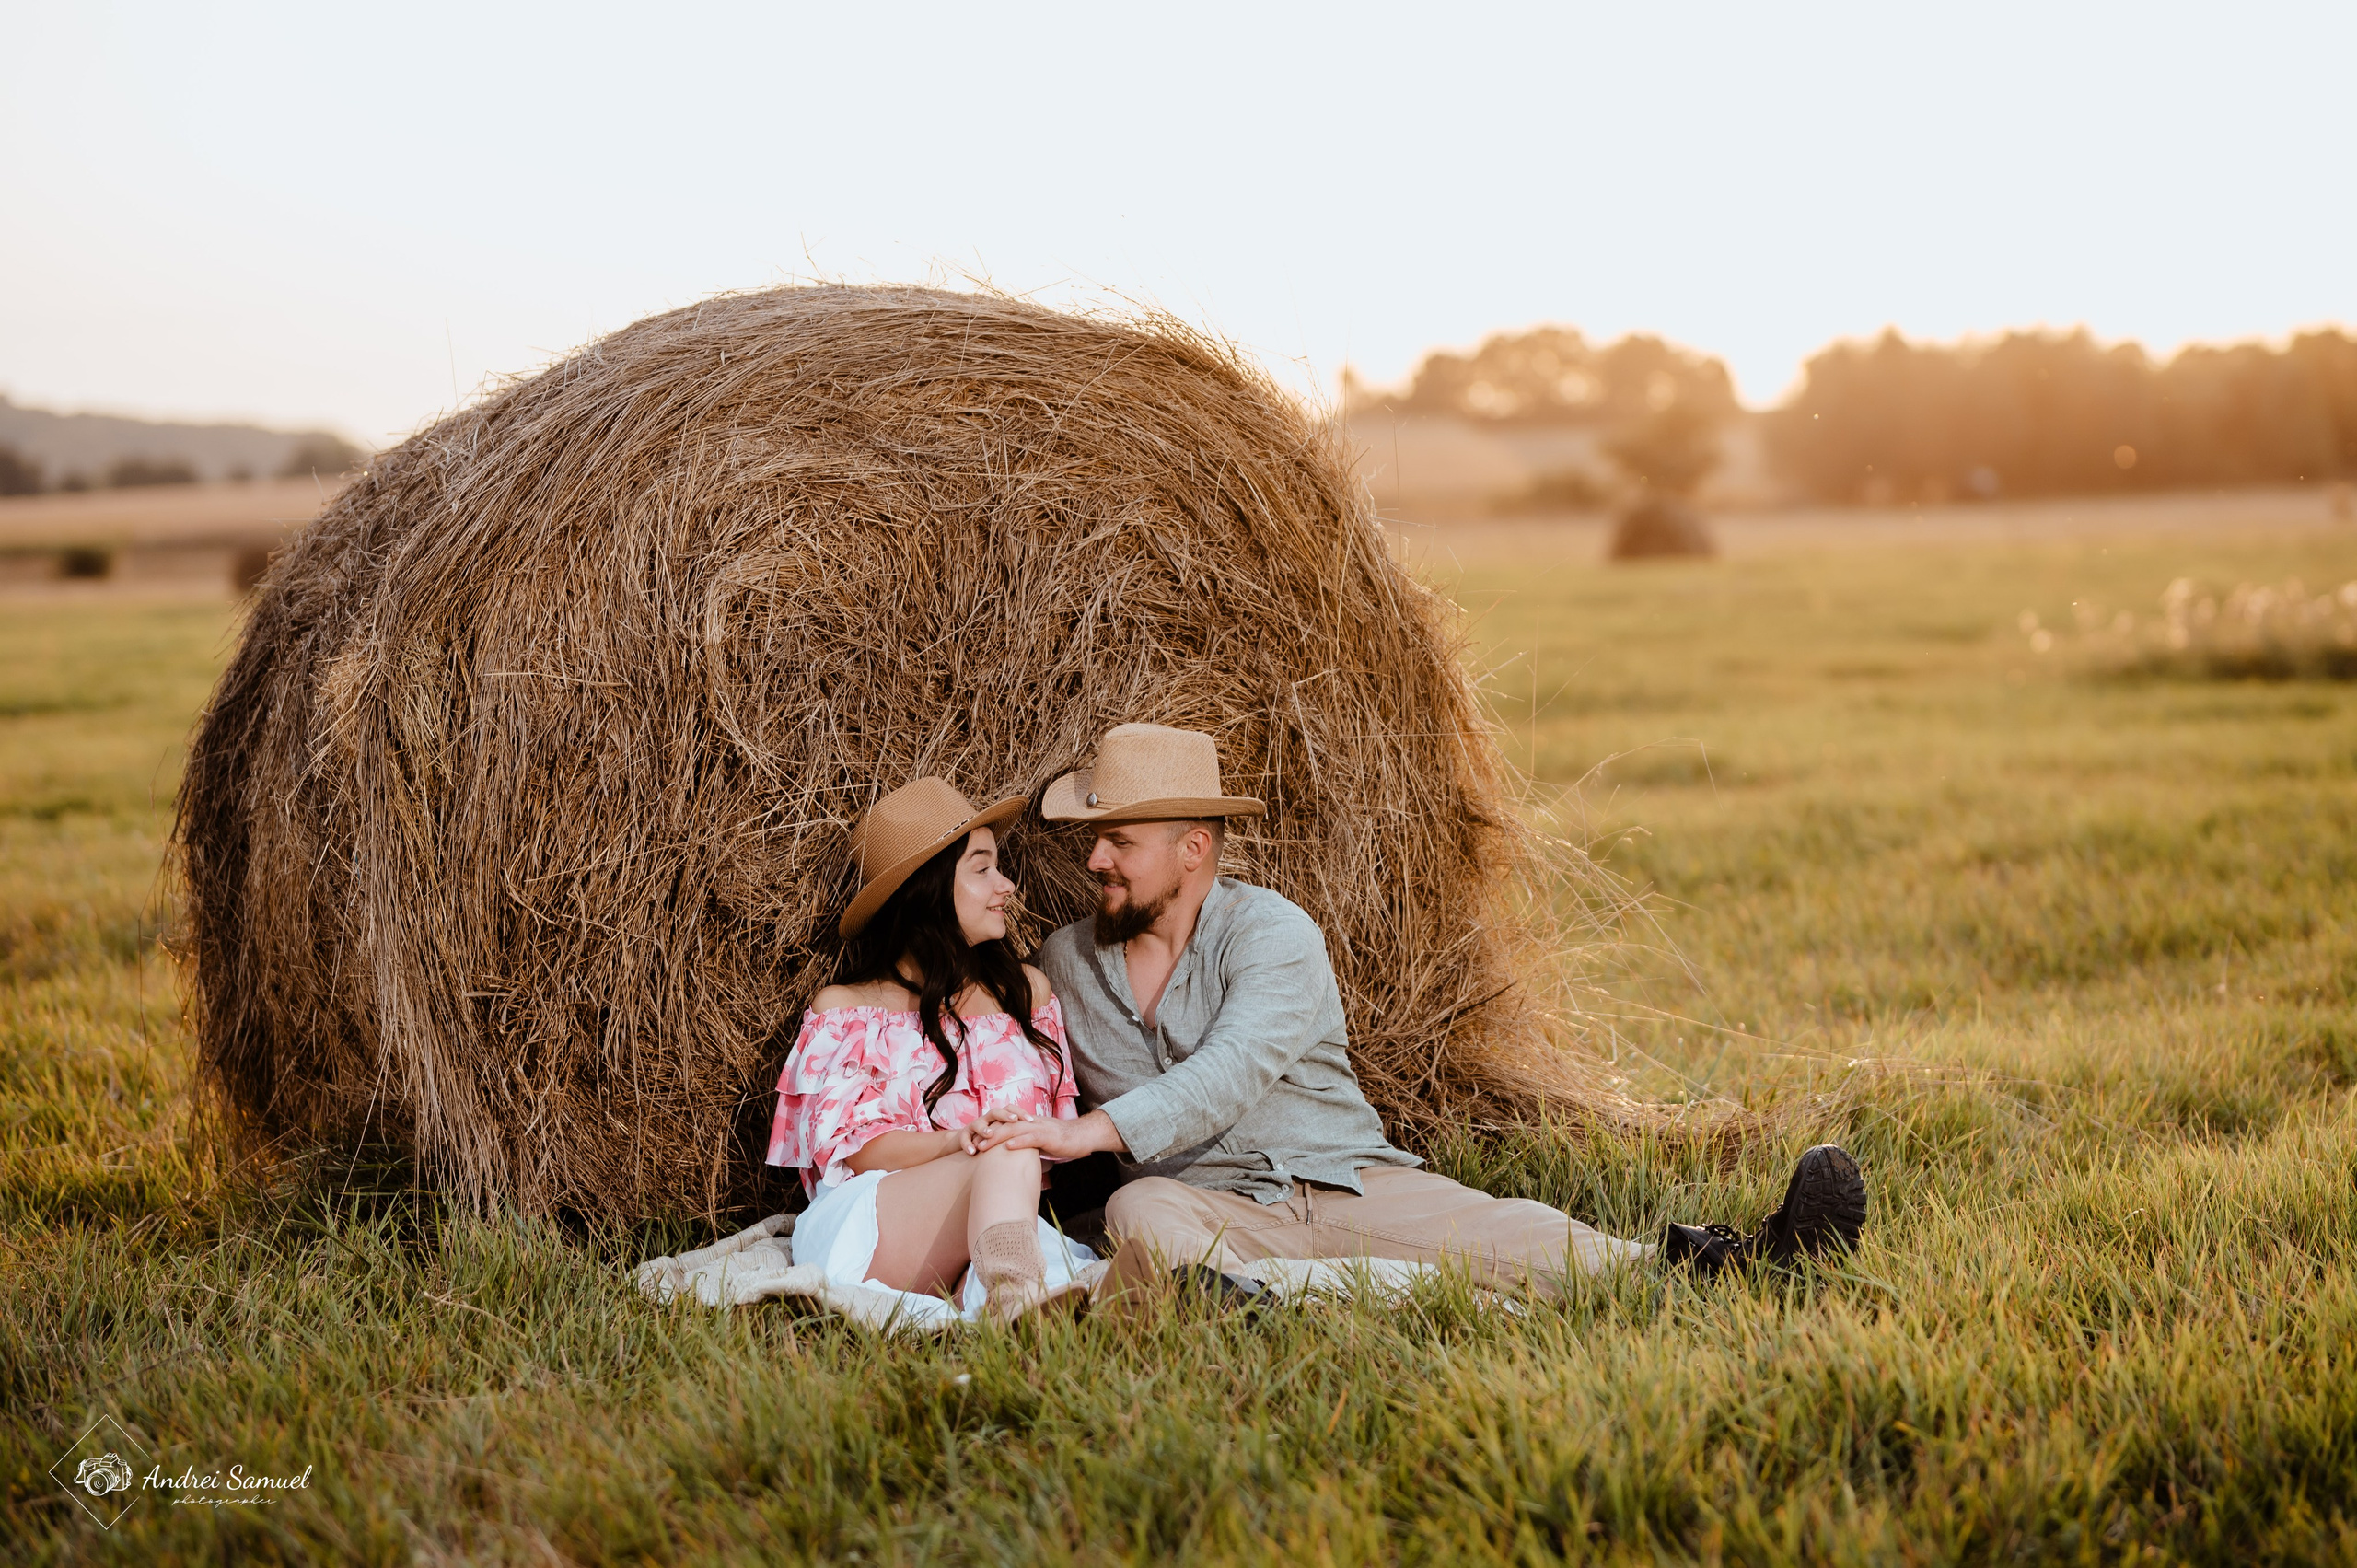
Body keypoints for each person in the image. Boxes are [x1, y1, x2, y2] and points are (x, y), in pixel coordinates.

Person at [975, 723, 1868, 1306]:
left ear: (1194, 848)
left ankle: (1734, 1261)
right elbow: (971, 1025)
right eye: (1095, 838)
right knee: (1139, 1209)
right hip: (1209, 1204)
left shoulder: (1273, 933)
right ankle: (1265, 1298)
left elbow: (1233, 1068)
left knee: (1518, 1234)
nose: (1095, 860)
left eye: (1120, 840)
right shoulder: (1065, 965)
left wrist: (1092, 1132)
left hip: (1342, 1178)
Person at [765, 776, 1097, 1325]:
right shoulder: (846, 1010)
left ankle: (1006, 1297)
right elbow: (855, 1152)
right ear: (929, 890)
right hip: (872, 1229)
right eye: (982, 869)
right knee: (1006, 1145)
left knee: (1027, 1191)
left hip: (989, 1224)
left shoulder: (1026, 995)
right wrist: (955, 1142)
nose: (1007, 885)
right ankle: (1013, 1301)